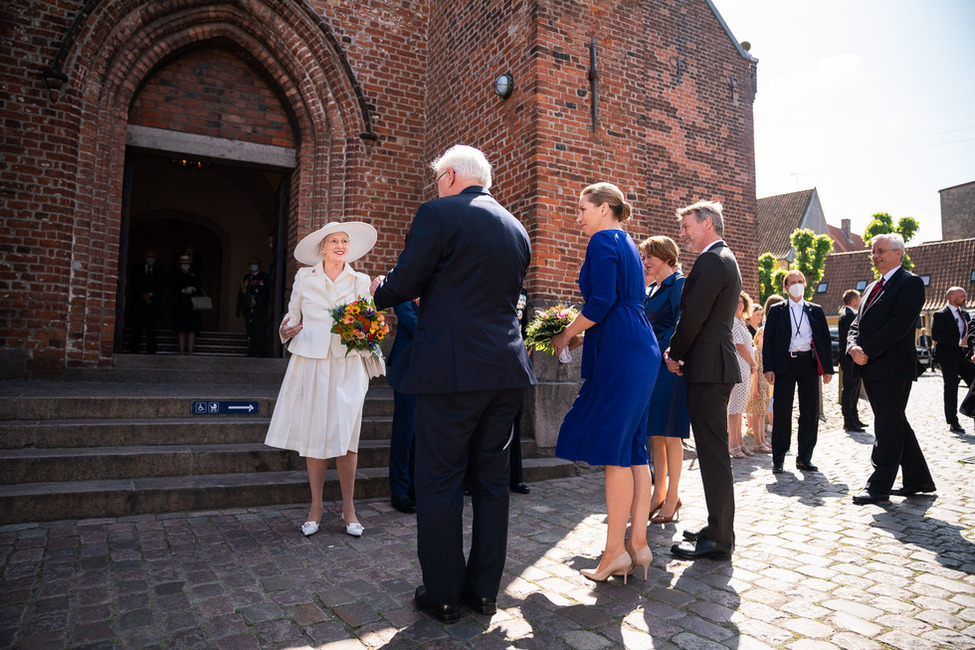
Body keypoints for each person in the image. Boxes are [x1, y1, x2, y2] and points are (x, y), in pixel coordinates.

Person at [370, 145, 536, 624]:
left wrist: (382, 286)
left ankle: (442, 594)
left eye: (436, 178)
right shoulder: (516, 227)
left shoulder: (439, 214)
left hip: (452, 371)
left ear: (449, 176)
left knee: (439, 479)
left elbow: (404, 283)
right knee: (491, 484)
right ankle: (483, 592)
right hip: (505, 372)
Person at [552, 182, 658, 583]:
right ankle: (639, 545)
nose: (578, 217)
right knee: (633, 448)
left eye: (582, 208)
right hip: (638, 341)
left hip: (621, 347)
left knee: (617, 449)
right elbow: (619, 302)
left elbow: (600, 302)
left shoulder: (600, 241)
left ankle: (614, 552)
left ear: (603, 208)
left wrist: (564, 336)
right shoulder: (629, 242)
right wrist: (583, 333)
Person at [264, 221, 382, 537]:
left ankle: (348, 508)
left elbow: (369, 323)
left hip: (348, 366)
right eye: (334, 241)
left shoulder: (361, 280)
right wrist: (285, 330)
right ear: (322, 248)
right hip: (312, 363)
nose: (340, 246)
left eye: (344, 241)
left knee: (347, 436)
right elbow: (292, 318)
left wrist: (367, 327)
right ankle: (315, 507)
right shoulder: (305, 278)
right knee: (316, 436)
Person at [664, 200, 741, 562]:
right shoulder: (724, 257)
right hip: (714, 366)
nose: (683, 234)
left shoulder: (712, 260)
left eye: (687, 226)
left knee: (713, 454)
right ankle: (718, 527)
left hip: (709, 368)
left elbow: (693, 316)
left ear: (707, 223)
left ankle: (720, 539)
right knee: (713, 453)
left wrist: (675, 354)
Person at [847, 233, 935, 504]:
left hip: (893, 368)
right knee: (896, 422)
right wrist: (852, 347)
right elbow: (856, 325)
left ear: (899, 253)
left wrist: (868, 350)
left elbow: (899, 325)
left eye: (882, 251)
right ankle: (918, 480)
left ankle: (878, 486)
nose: (876, 256)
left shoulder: (910, 283)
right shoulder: (872, 286)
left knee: (887, 426)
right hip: (870, 367)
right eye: (873, 252)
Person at [762, 270, 834, 474]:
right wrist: (769, 368)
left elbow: (825, 340)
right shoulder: (777, 310)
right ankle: (779, 458)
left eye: (800, 281)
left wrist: (827, 369)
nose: (797, 284)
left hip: (808, 364)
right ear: (785, 288)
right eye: (792, 282)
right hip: (785, 364)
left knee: (810, 412)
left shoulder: (815, 310)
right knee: (782, 412)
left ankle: (804, 457)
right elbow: (768, 341)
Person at [639, 235, 688, 526]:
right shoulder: (650, 289)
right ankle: (658, 493)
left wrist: (663, 350)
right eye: (644, 257)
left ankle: (673, 497)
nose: (645, 262)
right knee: (655, 431)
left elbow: (681, 324)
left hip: (669, 365)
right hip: (649, 366)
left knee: (671, 433)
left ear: (667, 258)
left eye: (649, 257)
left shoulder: (679, 284)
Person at [388, 298, 419, 514]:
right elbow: (411, 322)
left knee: (422, 432)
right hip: (408, 366)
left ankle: (417, 486)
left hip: (431, 367)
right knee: (404, 430)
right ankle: (399, 489)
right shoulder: (404, 283)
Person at [932, 287, 974, 434]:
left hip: (966, 357)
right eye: (962, 296)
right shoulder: (940, 314)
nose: (965, 298)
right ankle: (953, 421)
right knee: (951, 389)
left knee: (974, 385)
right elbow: (936, 335)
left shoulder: (966, 315)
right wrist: (958, 341)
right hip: (948, 358)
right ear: (951, 297)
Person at [728, 292, 758, 459]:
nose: (739, 304)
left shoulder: (741, 322)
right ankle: (733, 444)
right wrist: (753, 363)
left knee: (740, 407)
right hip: (739, 365)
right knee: (734, 408)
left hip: (745, 366)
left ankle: (740, 442)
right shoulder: (732, 321)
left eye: (741, 302)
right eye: (736, 301)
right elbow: (739, 345)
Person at [838, 289, 866, 432]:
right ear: (854, 301)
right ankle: (849, 420)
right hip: (849, 360)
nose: (860, 300)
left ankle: (854, 418)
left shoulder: (849, 314)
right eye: (859, 298)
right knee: (849, 390)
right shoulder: (848, 315)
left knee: (854, 389)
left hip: (851, 360)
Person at [236, 256, 271, 357]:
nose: (253, 266)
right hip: (248, 308)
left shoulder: (264, 277)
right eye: (251, 264)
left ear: (259, 265)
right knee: (250, 330)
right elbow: (242, 293)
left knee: (259, 330)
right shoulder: (246, 278)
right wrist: (239, 308)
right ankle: (251, 350)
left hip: (260, 308)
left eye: (254, 264)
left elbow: (266, 292)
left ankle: (261, 351)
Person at [745, 326, 772, 453]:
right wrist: (755, 389)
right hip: (758, 386)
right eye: (762, 335)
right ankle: (758, 442)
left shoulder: (765, 352)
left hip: (765, 386)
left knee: (762, 414)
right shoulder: (755, 352)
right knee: (757, 414)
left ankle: (762, 440)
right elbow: (755, 372)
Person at [129, 249, 162, 354]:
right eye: (149, 256)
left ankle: (151, 349)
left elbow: (160, 285)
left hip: (152, 303)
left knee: (151, 328)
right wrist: (142, 295)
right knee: (137, 326)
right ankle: (134, 348)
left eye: (152, 257)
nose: (150, 259)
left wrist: (150, 295)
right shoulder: (138, 269)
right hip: (139, 301)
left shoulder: (158, 270)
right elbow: (134, 283)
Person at [172, 253, 203, 355]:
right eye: (183, 263)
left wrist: (193, 289)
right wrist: (182, 290)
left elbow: (199, 288)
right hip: (180, 305)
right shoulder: (176, 275)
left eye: (187, 263)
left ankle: (190, 352)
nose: (185, 265)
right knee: (181, 329)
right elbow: (173, 288)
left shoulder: (194, 275)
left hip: (192, 306)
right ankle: (181, 351)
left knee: (191, 329)